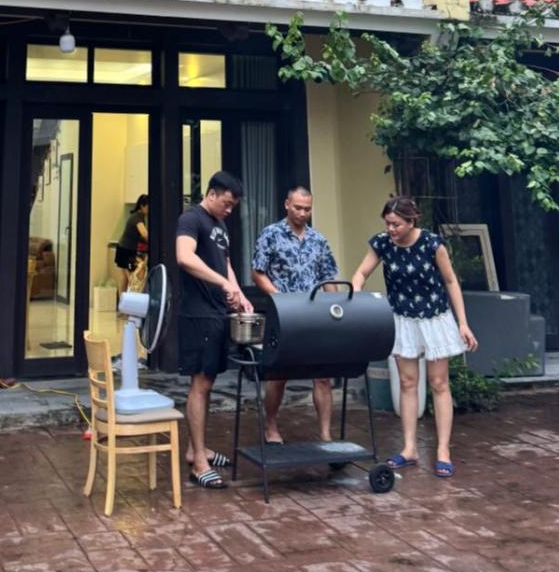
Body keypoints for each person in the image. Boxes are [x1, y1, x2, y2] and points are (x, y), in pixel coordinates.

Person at [351, 195, 478, 479]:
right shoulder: (382, 243)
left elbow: (450, 281)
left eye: (396, 224)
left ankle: (443, 450)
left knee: (439, 383)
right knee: (408, 383)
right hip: (402, 319)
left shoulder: (432, 244)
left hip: (434, 317)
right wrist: (356, 291)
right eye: (387, 223)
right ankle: (409, 448)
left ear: (411, 222)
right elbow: (361, 272)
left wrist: (463, 323)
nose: (391, 229)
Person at [175, 170, 252, 489]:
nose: (229, 210)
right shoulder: (191, 219)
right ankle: (199, 464)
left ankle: (197, 449)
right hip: (198, 314)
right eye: (227, 203)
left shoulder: (220, 225)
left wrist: (239, 294)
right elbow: (184, 257)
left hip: (218, 312)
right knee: (200, 384)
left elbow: (226, 264)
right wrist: (222, 283)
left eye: (234, 206)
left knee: (208, 383)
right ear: (211, 194)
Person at [251, 186, 338, 444]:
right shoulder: (271, 234)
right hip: (283, 314)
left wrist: (337, 309)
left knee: (323, 375)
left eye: (307, 209)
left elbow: (328, 277)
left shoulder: (318, 240)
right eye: (298, 208)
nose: (302, 213)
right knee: (279, 374)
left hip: (315, 315)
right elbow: (257, 273)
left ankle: (325, 434)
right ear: (287, 204)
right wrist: (279, 298)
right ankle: (270, 426)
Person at [114, 195, 149, 293]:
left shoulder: (137, 216)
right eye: (148, 206)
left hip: (123, 248)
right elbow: (144, 234)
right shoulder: (138, 217)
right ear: (142, 206)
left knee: (125, 278)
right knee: (131, 277)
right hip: (126, 250)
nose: (149, 209)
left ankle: (123, 300)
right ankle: (129, 299)